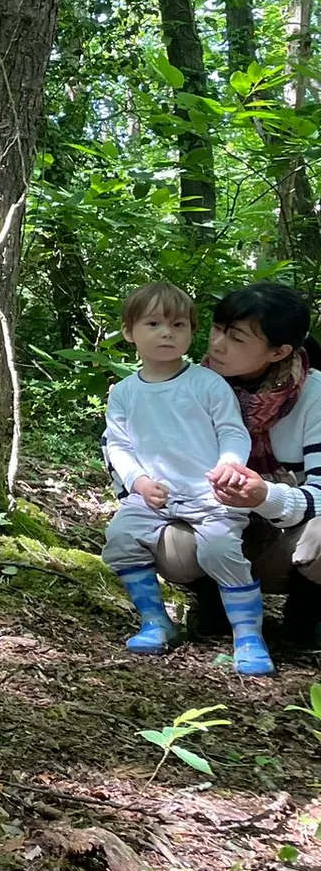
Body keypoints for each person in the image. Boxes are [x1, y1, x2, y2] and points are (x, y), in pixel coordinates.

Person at [98, 282, 267, 674]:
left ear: (192, 333)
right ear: (129, 333)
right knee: (121, 539)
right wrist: (137, 482)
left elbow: (232, 430)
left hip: (212, 494)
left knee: (220, 552)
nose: (167, 333)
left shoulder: (207, 383)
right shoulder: (124, 392)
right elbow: (118, 445)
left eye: (178, 325)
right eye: (153, 323)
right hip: (154, 496)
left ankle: (248, 635)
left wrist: (230, 464)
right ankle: (155, 621)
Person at [154, 281, 321, 649]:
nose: (216, 344)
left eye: (237, 337)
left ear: (278, 352)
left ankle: (305, 618)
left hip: (285, 540)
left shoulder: (315, 396)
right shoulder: (186, 384)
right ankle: (214, 606)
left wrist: (264, 496)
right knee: (163, 542)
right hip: (210, 521)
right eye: (217, 328)